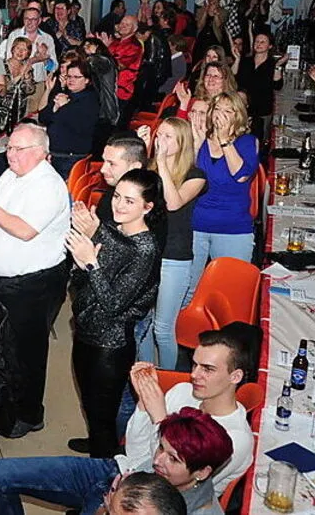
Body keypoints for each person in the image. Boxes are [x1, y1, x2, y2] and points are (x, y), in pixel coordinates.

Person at [0, 331, 255, 515]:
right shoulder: (184, 393)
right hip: (118, 470)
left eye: (208, 369)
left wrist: (160, 418)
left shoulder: (235, 439)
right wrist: (143, 406)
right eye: (194, 364)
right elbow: (137, 452)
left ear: (236, 376)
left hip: (138, 500)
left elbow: (177, 493)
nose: (194, 375)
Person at [0, 124, 70, 438]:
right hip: (4, 279)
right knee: (4, 348)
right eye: (9, 148)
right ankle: (6, 403)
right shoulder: (11, 175)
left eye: (18, 149)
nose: (11, 154)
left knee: (27, 353)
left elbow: (25, 230)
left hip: (34, 283)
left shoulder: (48, 185)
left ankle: (29, 415)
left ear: (40, 152)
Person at [65, 169, 164, 458]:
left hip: (108, 346)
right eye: (117, 196)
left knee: (103, 417)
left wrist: (90, 263)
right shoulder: (113, 231)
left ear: (148, 207)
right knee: (91, 406)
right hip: (86, 332)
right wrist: (82, 263)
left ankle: (101, 478)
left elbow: (113, 304)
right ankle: (96, 439)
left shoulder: (146, 249)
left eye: (129, 201)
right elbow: (83, 283)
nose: (118, 205)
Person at [144, 119, 207, 368]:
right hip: (150, 254)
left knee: (162, 329)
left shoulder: (195, 176)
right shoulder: (150, 171)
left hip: (174, 258)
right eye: (160, 135)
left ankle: (168, 383)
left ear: (182, 143)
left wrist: (160, 163)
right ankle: (147, 375)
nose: (161, 141)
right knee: (145, 324)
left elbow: (173, 203)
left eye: (169, 137)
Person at [187, 92, 256, 294]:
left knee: (229, 293)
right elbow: (185, 176)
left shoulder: (247, 142)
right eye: (217, 109)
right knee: (187, 290)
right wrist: (197, 143)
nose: (221, 115)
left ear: (238, 115)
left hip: (233, 227)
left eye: (228, 110)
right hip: (195, 224)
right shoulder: (200, 138)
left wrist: (225, 140)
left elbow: (241, 175)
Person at [38, 58, 100, 178]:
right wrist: (56, 107)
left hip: (70, 157)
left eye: (76, 77)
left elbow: (77, 125)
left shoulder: (90, 100)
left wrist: (64, 107)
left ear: (87, 80)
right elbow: (43, 117)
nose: (71, 80)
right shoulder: (66, 95)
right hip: (55, 154)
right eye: (69, 76)